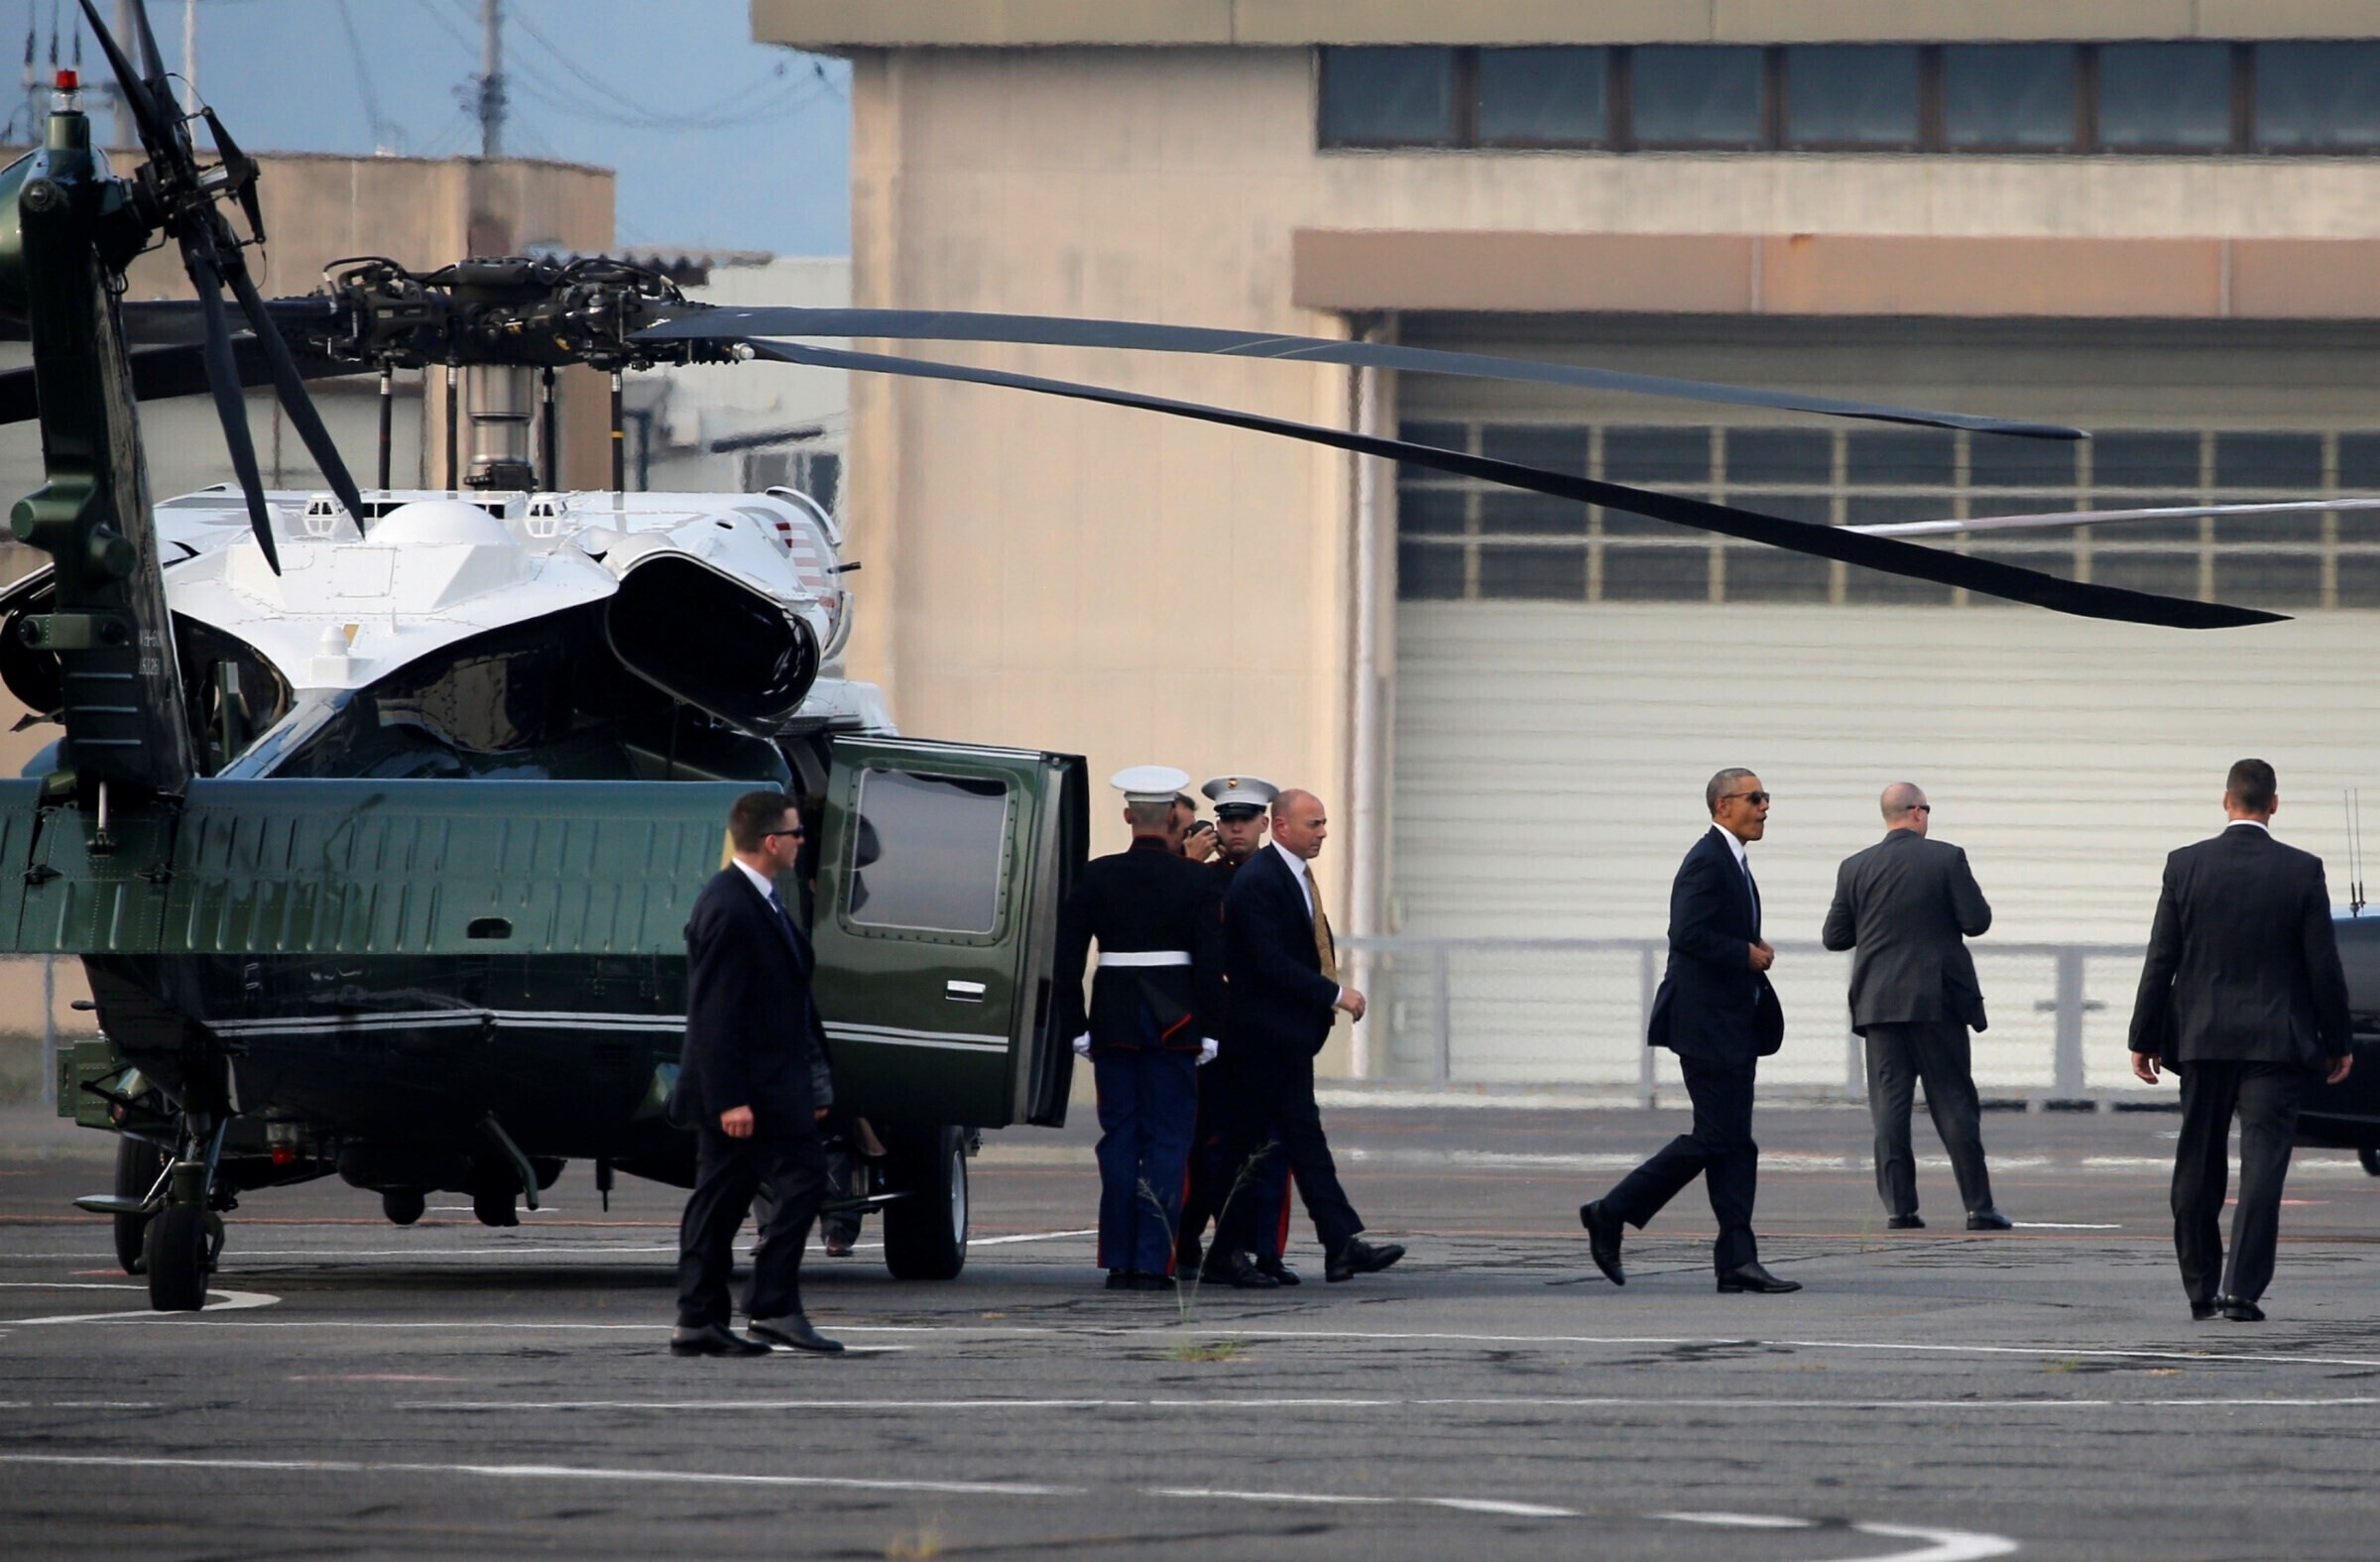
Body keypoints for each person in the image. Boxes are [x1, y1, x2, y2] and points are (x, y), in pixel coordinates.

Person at [2127, 759, 2353, 1322]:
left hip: (2202, 1039)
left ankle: (2200, 1285)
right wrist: (2337, 1038)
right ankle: (2241, 1289)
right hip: (2276, 1043)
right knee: (2263, 1165)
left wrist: (2144, 1035)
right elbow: (2323, 966)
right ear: (2274, 804)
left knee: (2197, 1160)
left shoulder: (2185, 864)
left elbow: (2162, 958)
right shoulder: (2302, 869)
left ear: (2226, 801)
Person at [1582, 769, 1799, 1295]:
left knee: (1735, 1144)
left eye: (1766, 798)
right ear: (1724, 806)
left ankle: (1737, 1262)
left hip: (1732, 1023)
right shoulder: (1707, 859)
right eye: (1755, 798)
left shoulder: (1733, 861)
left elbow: (1712, 930)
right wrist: (1742, 953)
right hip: (1705, 1024)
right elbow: (1687, 933)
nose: (1765, 807)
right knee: (1717, 1138)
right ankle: (1611, 1211)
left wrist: (1751, 947)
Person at [670, 790, 843, 1357]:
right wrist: (729, 1099)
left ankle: (707, 1318)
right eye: (796, 834)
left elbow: (789, 1000)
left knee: (725, 1199)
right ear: (772, 842)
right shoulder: (730, 905)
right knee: (799, 1178)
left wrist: (814, 1082)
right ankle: (765, 1307)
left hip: (771, 1087)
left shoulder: (760, 900)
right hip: (746, 1093)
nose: (802, 842)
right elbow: (713, 1012)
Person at [1209, 787, 1404, 1286]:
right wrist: (1334, 994)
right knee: (1246, 1146)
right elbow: (1268, 961)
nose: (1322, 833)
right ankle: (1227, 1252)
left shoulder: (1291, 874)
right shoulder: (1259, 880)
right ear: (1281, 827)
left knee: (1301, 1141)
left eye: (1322, 823)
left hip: (1285, 1040)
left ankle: (1339, 1245)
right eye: (1313, 824)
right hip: (1260, 1040)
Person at [1055, 766, 1228, 1290]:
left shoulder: (1096, 875)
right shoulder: (1198, 879)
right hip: (1176, 1022)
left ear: (1129, 815)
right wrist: (1210, 1028)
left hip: (1113, 1020)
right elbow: (1210, 963)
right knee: (1168, 1142)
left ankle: (1119, 1261)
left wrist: (1076, 1024)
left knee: (1120, 1141)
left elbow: (1066, 959)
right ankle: (1154, 1263)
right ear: (1174, 817)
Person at [1822, 782, 2012, 1233]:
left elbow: (1835, 937)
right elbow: (1976, 921)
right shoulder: (1947, 858)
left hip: (1878, 1004)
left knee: (1889, 1110)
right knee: (1954, 1103)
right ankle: (1978, 1208)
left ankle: (1900, 1209)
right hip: (1936, 1001)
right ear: (1917, 812)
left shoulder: (1855, 867)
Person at [1175, 775, 1300, 1283]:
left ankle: (1263, 1247)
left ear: (1264, 824)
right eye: (1227, 821)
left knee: (1270, 1144)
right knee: (1206, 1144)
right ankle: (1190, 1243)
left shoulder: (1283, 880)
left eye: (1245, 820)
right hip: (1214, 1033)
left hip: (1265, 1032)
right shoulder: (1200, 880)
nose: (1236, 830)